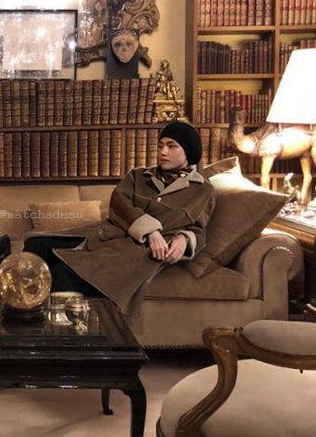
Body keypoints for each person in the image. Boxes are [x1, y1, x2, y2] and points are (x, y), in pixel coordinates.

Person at [24, 121, 215, 314]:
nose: (163, 152)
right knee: (36, 245)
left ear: (188, 151)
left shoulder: (202, 190)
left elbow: (198, 229)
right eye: (160, 145)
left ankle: (50, 326)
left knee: (62, 272)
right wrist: (151, 231)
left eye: (171, 146)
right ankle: (23, 312)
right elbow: (119, 204)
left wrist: (185, 238)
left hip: (133, 252)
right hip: (107, 233)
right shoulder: (138, 176)